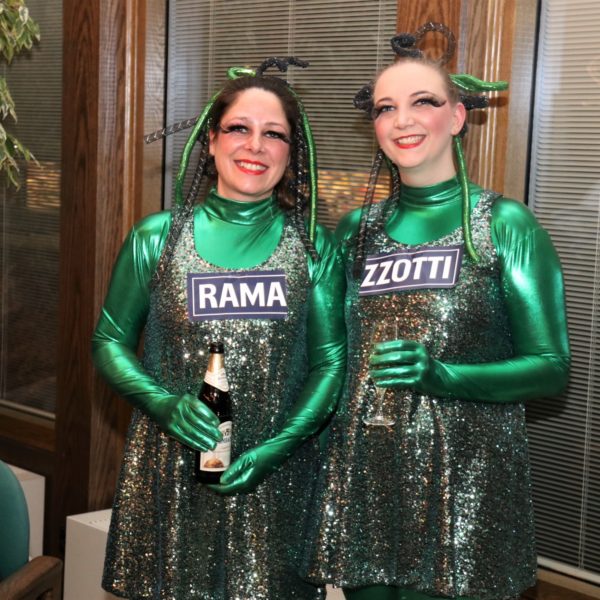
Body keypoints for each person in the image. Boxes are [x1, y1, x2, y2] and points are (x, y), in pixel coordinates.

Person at [303, 23, 570, 600]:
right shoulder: (355, 231)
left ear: (457, 117)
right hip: (365, 480)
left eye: (423, 101)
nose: (403, 120)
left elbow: (551, 368)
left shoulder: (504, 224)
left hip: (465, 484)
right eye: (385, 108)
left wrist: (443, 375)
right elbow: (329, 359)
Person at [92, 57, 346, 600]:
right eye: (239, 128)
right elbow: (109, 342)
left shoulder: (312, 248)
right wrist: (162, 404)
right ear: (210, 141)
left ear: (291, 154)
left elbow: (330, 365)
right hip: (168, 474)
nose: (255, 145)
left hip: (277, 481)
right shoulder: (156, 238)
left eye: (274, 134)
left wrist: (275, 449)